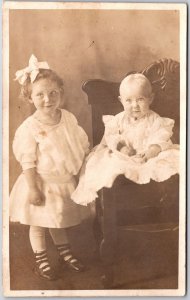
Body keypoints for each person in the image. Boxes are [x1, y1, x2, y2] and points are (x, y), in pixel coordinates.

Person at [10, 54, 90, 280]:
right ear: (29, 98)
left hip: (62, 181)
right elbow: (27, 161)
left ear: (61, 93)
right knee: (38, 224)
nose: (48, 99)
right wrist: (33, 188)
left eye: (53, 93)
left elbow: (80, 144)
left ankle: (65, 254)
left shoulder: (67, 118)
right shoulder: (30, 127)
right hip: (41, 183)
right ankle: (41, 258)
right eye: (40, 94)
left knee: (57, 220)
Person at [71, 73, 179, 206]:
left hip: (149, 157)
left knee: (172, 160)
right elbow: (110, 137)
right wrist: (121, 147)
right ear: (121, 100)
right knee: (108, 163)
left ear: (150, 98)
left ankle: (161, 206)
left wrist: (153, 149)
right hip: (124, 157)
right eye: (129, 100)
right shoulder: (118, 120)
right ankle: (115, 208)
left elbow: (161, 135)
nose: (135, 105)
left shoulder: (156, 120)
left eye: (140, 99)